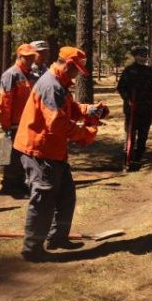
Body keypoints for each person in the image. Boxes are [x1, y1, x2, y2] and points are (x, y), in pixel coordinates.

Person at [14, 46, 109, 262]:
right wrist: (85, 134)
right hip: (39, 149)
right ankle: (32, 248)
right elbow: (56, 123)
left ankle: (58, 238)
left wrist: (89, 110)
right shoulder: (51, 86)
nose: (76, 75)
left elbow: (69, 108)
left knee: (66, 194)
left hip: (54, 150)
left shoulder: (59, 84)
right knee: (44, 198)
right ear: (67, 65)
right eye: (75, 70)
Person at [0, 43, 38, 197]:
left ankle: (20, 183)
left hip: (28, 123)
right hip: (14, 124)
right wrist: (6, 124)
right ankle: (9, 185)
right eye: (27, 58)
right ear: (19, 57)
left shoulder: (32, 75)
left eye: (32, 57)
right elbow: (5, 101)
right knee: (12, 155)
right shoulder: (11, 75)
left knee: (24, 155)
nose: (31, 60)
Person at [117, 45, 152, 171]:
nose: (143, 57)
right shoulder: (128, 71)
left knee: (143, 136)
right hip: (132, 110)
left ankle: (138, 158)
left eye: (145, 55)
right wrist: (128, 99)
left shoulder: (149, 71)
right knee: (130, 135)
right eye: (141, 55)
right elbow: (121, 87)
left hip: (147, 109)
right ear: (135, 56)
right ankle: (126, 161)